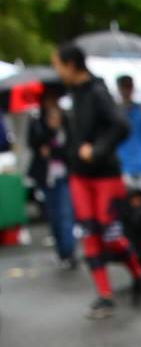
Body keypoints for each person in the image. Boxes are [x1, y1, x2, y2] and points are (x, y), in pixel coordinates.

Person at [51, 42, 141, 320]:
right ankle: (104, 295)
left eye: (57, 64)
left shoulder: (97, 92)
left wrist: (97, 149)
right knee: (90, 234)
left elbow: (121, 126)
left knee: (110, 235)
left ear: (70, 64)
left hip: (105, 176)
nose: (57, 71)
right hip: (79, 176)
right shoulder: (72, 97)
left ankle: (137, 272)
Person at [28, 94, 77, 268]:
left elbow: (71, 150)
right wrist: (48, 131)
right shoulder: (37, 123)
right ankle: (61, 251)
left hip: (63, 176)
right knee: (53, 215)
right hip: (46, 177)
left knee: (65, 214)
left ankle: (69, 251)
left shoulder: (67, 126)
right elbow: (34, 146)